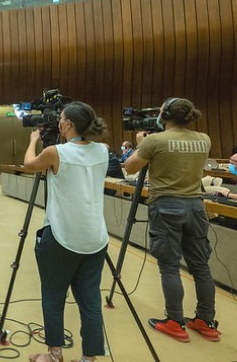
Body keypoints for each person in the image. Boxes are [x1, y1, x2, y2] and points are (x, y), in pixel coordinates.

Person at [124, 97, 219, 342]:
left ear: (164, 115)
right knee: (200, 266)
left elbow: (130, 167)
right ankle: (206, 320)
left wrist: (140, 144)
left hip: (166, 206)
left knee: (169, 266)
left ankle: (175, 321)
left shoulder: (155, 141)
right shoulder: (204, 139)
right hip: (196, 207)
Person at [24, 102, 109, 362]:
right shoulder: (103, 151)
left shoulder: (54, 152)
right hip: (96, 238)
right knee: (90, 300)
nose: (58, 123)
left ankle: (54, 355)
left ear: (69, 124)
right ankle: (89, 359)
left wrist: (33, 140)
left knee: (53, 295)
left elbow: (29, 164)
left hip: (62, 237)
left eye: (61, 119)